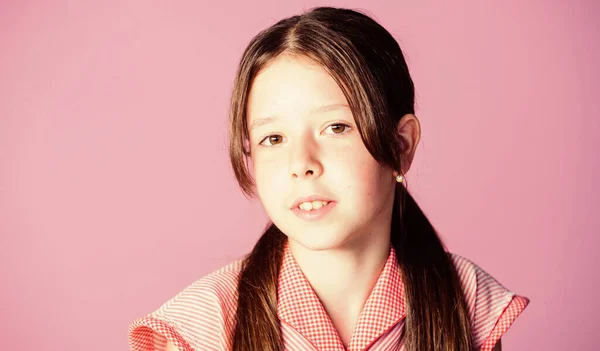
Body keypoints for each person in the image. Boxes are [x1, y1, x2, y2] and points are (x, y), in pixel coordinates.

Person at [127, 6, 529, 351]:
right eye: (274, 138)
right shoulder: (205, 324)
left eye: (336, 128)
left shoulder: (467, 300)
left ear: (401, 145)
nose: (301, 163)